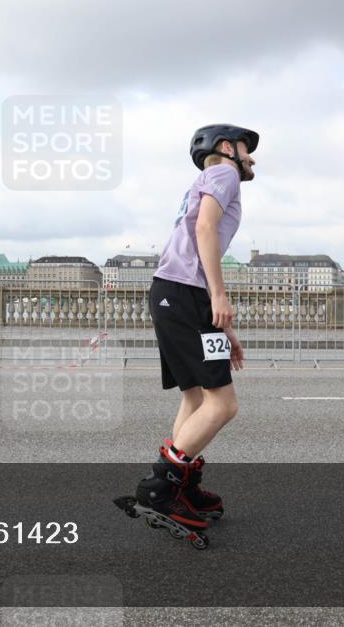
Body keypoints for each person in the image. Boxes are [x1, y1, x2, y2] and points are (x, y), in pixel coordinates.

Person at [134, 123, 258, 532]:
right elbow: (204, 229)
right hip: (187, 294)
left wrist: (223, 328)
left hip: (174, 294)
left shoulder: (202, 179)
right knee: (223, 404)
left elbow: (193, 236)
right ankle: (161, 488)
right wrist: (219, 297)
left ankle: (182, 485)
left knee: (194, 398)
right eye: (247, 148)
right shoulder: (224, 172)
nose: (252, 156)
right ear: (227, 147)